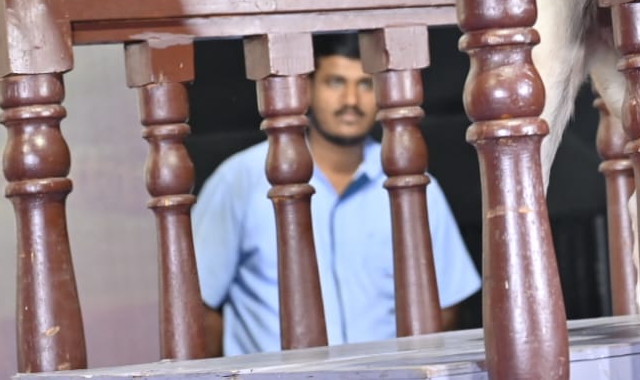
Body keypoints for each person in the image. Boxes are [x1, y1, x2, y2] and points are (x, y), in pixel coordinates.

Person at [192, 31, 481, 355]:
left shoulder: (413, 182)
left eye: (365, 84)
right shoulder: (242, 179)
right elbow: (200, 306)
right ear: (308, 87)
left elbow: (446, 304)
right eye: (336, 82)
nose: (351, 102)